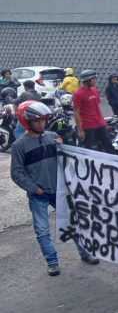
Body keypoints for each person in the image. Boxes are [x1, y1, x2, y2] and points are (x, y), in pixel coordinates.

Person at [10, 101, 100, 276]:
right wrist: (33, 188)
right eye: (37, 120)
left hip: (59, 191)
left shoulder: (52, 137)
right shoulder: (19, 146)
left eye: (44, 120)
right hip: (39, 195)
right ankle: (52, 262)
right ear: (27, 121)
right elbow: (16, 173)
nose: (42, 123)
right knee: (42, 230)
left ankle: (85, 252)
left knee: (74, 222)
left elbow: (70, 157)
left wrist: (63, 143)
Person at [72, 69, 115, 153]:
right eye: (93, 79)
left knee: (109, 146)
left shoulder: (95, 90)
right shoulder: (78, 94)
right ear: (87, 80)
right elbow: (76, 112)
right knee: (85, 149)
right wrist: (80, 130)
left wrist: (103, 121)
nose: (95, 81)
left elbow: (97, 107)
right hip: (87, 126)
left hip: (100, 124)